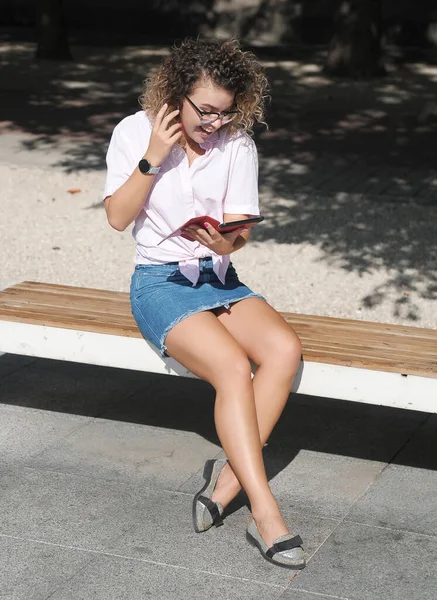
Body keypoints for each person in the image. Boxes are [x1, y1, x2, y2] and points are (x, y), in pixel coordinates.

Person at [103, 38, 305, 569]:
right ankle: (265, 514)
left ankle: (226, 484)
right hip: (160, 283)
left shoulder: (237, 144)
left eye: (226, 111)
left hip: (219, 278)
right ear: (176, 95)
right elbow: (118, 218)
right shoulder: (132, 131)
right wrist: (153, 156)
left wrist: (228, 242)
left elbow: (240, 232)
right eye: (206, 110)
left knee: (285, 349)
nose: (216, 122)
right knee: (234, 369)